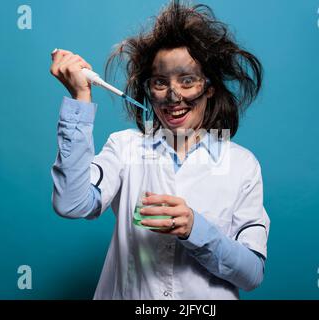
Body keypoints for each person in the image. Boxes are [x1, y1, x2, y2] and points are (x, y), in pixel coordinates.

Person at [50, 0, 270, 300]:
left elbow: (252, 274)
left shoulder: (242, 164)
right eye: (159, 82)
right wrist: (80, 98)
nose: (173, 95)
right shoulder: (125, 147)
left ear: (209, 87)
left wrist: (195, 229)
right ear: (148, 90)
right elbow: (72, 204)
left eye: (187, 80)